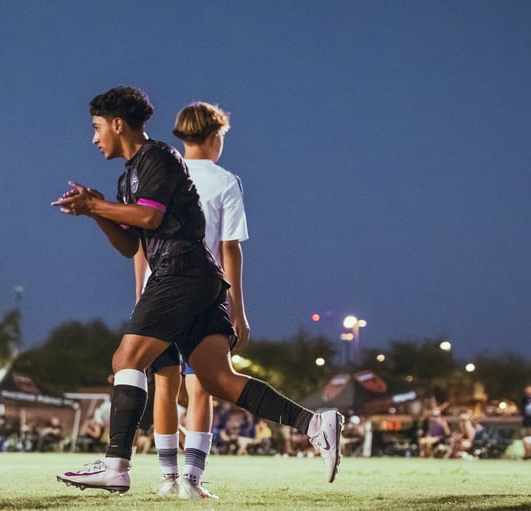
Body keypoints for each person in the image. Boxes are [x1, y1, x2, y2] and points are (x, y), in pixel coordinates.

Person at [53, 86, 343, 496]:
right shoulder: (128, 176)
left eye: (97, 128)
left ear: (118, 124)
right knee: (219, 379)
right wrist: (96, 211)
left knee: (126, 358)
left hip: (181, 273)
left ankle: (117, 465)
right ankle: (315, 423)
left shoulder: (159, 157)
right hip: (198, 279)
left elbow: (151, 219)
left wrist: (96, 208)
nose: (94, 137)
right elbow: (131, 244)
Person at [136, 101, 251, 498]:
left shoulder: (161, 174)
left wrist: (141, 294)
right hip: (204, 293)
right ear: (215, 137)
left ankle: (167, 478)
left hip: (160, 290)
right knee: (203, 387)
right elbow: (230, 248)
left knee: (164, 387)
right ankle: (192, 481)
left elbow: (140, 243)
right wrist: (237, 308)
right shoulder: (226, 181)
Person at [521, 385, 531, 460]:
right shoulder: (525, 399)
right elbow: (522, 410)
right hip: (526, 421)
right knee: (526, 437)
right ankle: (527, 453)